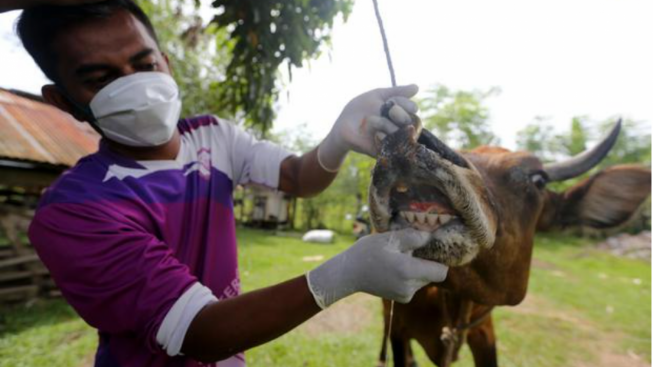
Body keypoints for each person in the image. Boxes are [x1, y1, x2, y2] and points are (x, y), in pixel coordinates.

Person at [9, 1, 449, 366]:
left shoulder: (213, 136)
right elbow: (199, 330)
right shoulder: (73, 212)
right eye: (101, 78)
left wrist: (337, 139)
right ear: (63, 100)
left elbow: (297, 176)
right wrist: (343, 274)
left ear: (166, 62)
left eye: (143, 64)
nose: (134, 86)